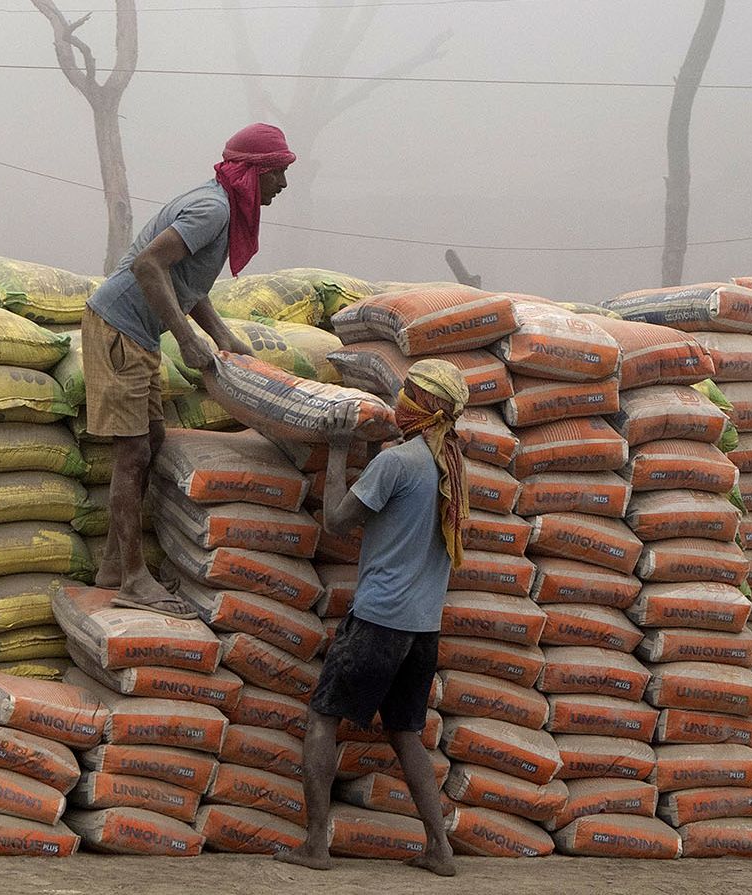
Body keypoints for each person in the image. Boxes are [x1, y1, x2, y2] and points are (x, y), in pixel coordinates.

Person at [84, 122, 296, 619]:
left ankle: (114, 565)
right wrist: (187, 339)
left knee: (151, 439)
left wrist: (221, 335)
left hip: (135, 332)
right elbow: (148, 267)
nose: (283, 186)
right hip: (119, 327)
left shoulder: (222, 207)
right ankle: (134, 579)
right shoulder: (212, 209)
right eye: (279, 173)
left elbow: (184, 281)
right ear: (254, 172)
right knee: (132, 452)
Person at [278, 359, 471, 875]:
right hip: (423, 627)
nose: (400, 399)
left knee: (322, 717)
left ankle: (316, 844)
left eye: (408, 394)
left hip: (379, 620)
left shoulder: (398, 462)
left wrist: (340, 451)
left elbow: (338, 522)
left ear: (423, 408)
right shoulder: (450, 463)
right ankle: (439, 847)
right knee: (405, 732)